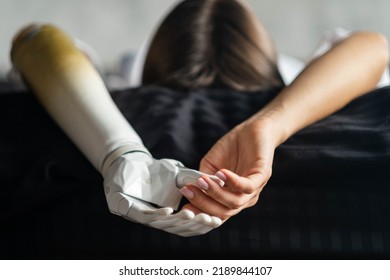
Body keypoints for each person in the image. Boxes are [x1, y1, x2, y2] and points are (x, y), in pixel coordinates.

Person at [10, 0, 389, 236]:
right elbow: (373, 47)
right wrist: (269, 124)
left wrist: (121, 154)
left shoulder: (112, 92)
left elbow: (35, 37)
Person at [138, 0, 389, 222]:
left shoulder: (130, 95)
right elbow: (374, 46)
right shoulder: (301, 80)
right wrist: (271, 121)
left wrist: (264, 126)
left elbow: (374, 48)